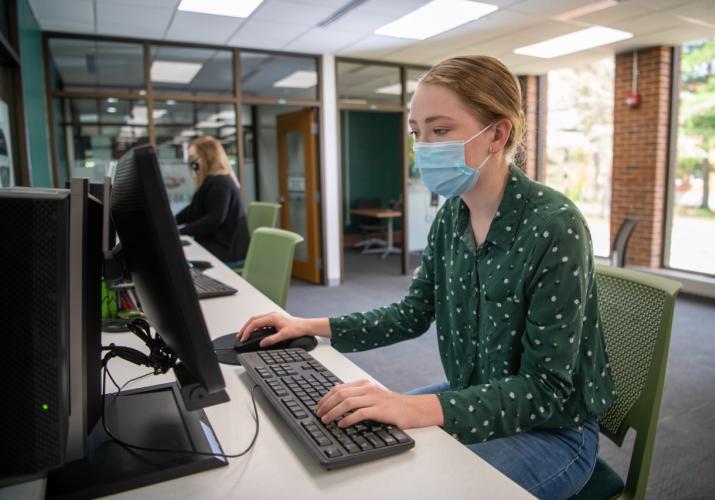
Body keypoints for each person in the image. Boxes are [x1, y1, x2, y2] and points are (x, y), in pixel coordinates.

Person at [237, 55, 616, 500]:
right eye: (417, 133)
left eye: (440, 130)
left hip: (553, 432)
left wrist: (412, 407)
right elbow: (412, 313)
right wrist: (310, 326)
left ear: (497, 133)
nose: (424, 146)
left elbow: (546, 390)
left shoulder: (554, 225)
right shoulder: (451, 217)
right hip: (472, 393)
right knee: (356, 434)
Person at [175, 136, 249, 262]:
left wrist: (182, 231)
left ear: (208, 157)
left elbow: (214, 219)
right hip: (217, 243)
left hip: (228, 248)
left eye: (194, 158)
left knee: (181, 259)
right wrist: (173, 221)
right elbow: (193, 209)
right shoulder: (211, 181)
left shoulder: (221, 183)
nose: (192, 164)